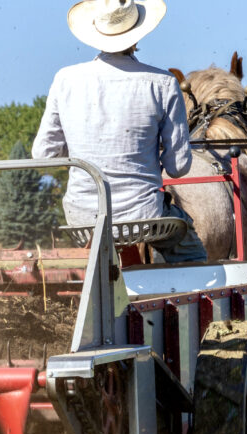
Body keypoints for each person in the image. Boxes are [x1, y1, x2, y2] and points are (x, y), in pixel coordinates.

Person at [32, 0, 206, 263]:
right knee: (191, 253)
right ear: (137, 34)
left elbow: (42, 154)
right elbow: (178, 167)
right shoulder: (163, 83)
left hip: (82, 219)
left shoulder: (65, 80)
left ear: (95, 32)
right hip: (145, 218)